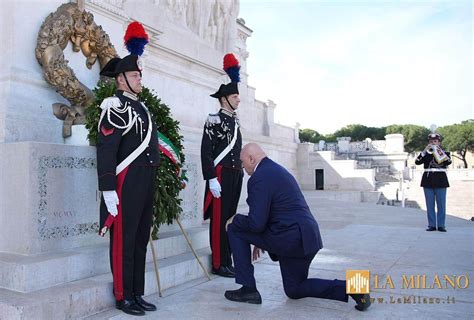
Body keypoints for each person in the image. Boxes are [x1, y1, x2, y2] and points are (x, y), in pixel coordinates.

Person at [224, 143, 371, 311]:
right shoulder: (277, 170)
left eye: (243, 162)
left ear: (251, 158)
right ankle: (356, 287)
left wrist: (236, 219)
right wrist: (260, 239)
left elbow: (256, 224)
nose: (242, 167)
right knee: (295, 289)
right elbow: (275, 212)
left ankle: (248, 288)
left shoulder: (259, 177)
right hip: (307, 238)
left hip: (290, 238)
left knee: (235, 227)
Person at [96, 22, 159, 316]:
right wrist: (108, 189)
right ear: (121, 80)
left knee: (138, 239)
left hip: (144, 182)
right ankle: (123, 295)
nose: (140, 79)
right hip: (125, 183)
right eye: (135, 75)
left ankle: (137, 292)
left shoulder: (141, 108)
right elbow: (107, 151)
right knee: (122, 241)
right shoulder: (115, 107)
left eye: (140, 75)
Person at [201, 53, 243, 278]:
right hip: (220, 174)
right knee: (218, 221)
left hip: (235, 174)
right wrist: (211, 178)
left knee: (230, 218)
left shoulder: (234, 120)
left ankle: (227, 259)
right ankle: (218, 262)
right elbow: (206, 151)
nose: (238, 100)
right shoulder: (214, 120)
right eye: (235, 96)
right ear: (225, 98)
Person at [415, 132, 452, 232]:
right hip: (428, 180)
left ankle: (441, 225)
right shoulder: (426, 152)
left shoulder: (444, 153)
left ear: (439, 142)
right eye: (431, 141)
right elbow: (417, 162)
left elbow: (448, 162)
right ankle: (431, 225)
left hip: (440, 180)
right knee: (429, 204)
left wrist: (438, 151)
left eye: (435, 141)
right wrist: (424, 151)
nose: (433, 142)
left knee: (441, 204)